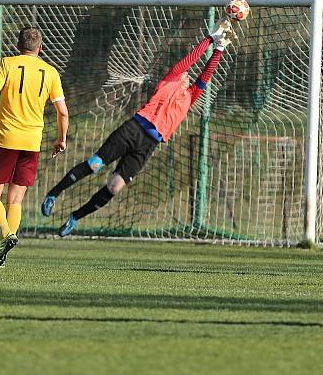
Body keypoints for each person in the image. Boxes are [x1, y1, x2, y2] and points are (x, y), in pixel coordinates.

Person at [41, 19, 236, 237]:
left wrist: (219, 49)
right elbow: (190, 61)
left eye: (188, 75)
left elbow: (205, 76)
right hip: (133, 129)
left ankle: (75, 217)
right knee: (95, 164)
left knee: (114, 187)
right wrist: (211, 38)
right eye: (184, 72)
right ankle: (53, 194)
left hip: (149, 144)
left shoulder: (190, 96)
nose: (187, 74)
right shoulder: (170, 80)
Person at [0, 27, 69, 268]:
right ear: (40, 48)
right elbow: (62, 111)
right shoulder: (50, 72)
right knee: (16, 200)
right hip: (31, 142)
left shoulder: (7, 64)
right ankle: (4, 252)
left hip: (5, 139)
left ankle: (6, 235)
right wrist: (61, 138)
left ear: (17, 46)